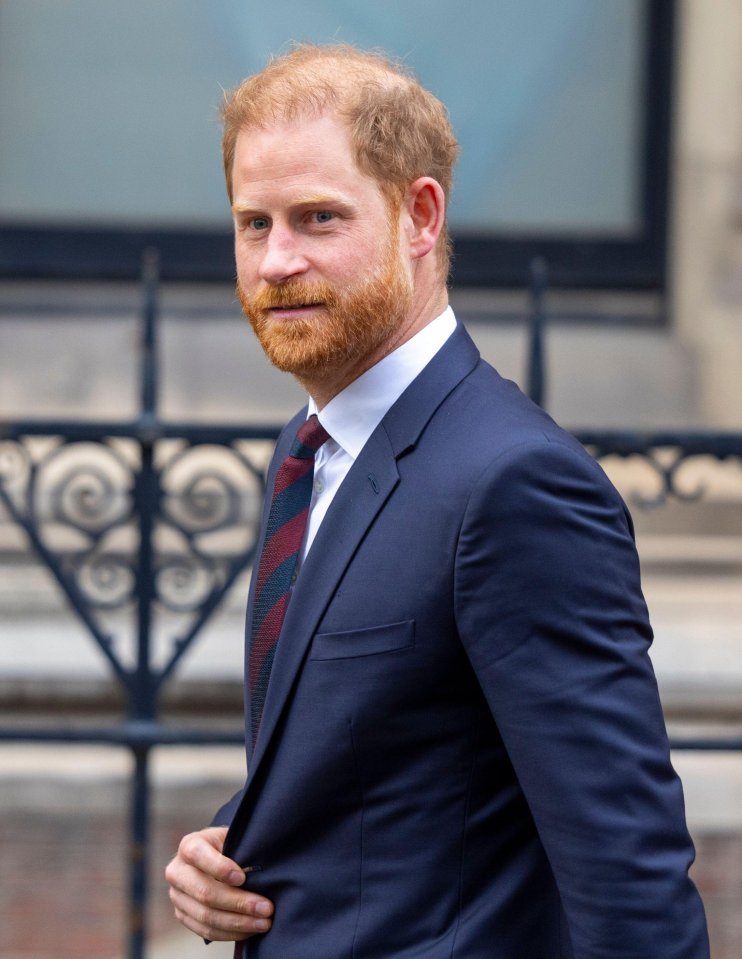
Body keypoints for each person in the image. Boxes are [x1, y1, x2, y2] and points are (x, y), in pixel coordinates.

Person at [165, 43, 709, 958]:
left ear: (420, 215)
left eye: (317, 218)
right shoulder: (306, 451)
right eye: (253, 224)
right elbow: (392, 751)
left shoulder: (516, 484)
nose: (276, 261)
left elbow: (628, 872)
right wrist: (229, 849)